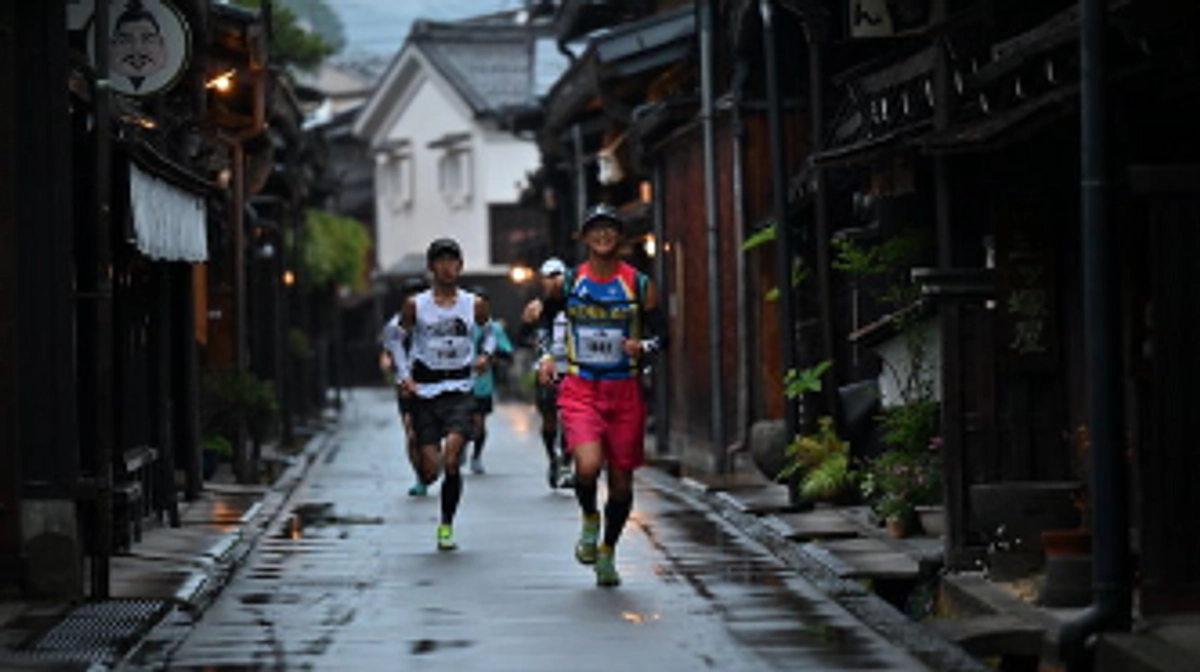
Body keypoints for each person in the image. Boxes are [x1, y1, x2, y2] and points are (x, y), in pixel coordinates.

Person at [538, 205, 667, 586]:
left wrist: (642, 346)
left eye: (610, 229)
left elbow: (663, 336)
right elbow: (547, 318)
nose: (603, 235)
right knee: (588, 466)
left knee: (623, 483)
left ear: (620, 237)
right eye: (595, 230)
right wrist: (547, 355)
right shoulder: (572, 280)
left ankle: (608, 551)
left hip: (625, 389)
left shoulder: (640, 284)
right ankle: (590, 519)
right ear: (584, 237)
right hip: (581, 387)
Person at [394, 239, 496, 551]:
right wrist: (403, 375)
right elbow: (396, 339)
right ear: (431, 267)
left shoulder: (474, 303)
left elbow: (489, 332)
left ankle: (446, 525)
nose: (447, 267)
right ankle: (424, 458)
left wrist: (485, 355)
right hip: (425, 391)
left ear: (461, 266)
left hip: (460, 389)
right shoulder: (416, 305)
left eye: (453, 261)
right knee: (430, 470)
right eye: (441, 261)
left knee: (452, 461)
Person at [521, 257, 572, 489]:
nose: (554, 282)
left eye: (557, 276)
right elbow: (521, 338)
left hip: (574, 369)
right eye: (548, 277)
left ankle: (566, 463)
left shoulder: (576, 303)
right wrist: (527, 323)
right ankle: (553, 457)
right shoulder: (537, 306)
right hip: (547, 369)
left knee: (572, 418)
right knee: (550, 420)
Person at [381, 277, 430, 497]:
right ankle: (420, 477)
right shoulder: (395, 325)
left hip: (434, 384)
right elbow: (388, 352)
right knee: (412, 434)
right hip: (407, 387)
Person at [466, 286, 514, 475]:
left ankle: (476, 455)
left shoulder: (494, 328)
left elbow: (507, 354)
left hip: (482, 385)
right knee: (458, 422)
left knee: (478, 423)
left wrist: (491, 358)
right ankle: (459, 447)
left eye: (482, 304)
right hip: (458, 383)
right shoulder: (460, 325)